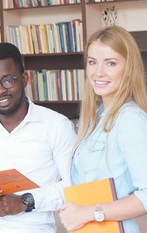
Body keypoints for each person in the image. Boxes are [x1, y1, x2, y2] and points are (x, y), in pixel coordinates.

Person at [0, 42, 77, 233]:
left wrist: (26, 201)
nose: (0, 90)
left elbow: (74, 186)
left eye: (8, 80)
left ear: (24, 79)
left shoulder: (56, 126)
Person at [58, 26, 147, 232]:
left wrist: (87, 213)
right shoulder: (96, 116)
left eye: (111, 63)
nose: (99, 72)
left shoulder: (130, 119)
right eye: (92, 62)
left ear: (129, 68)